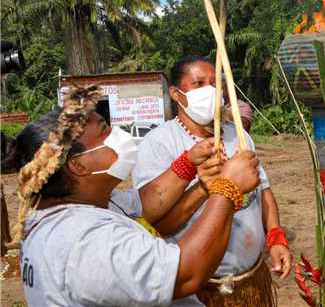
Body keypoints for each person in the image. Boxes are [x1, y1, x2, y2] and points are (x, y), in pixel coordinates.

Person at [12, 86, 260, 306]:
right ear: (79, 166)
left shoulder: (86, 208)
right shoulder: (85, 240)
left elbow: (148, 206)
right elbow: (185, 274)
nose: (117, 134)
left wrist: (192, 170)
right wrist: (227, 190)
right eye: (105, 130)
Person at [133, 55, 291, 307]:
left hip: (251, 278)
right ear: (175, 94)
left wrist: (275, 236)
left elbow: (263, 193)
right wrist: (205, 188)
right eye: (198, 84)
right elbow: (158, 225)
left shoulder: (238, 135)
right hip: (200, 290)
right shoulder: (159, 144)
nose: (210, 90)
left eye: (215, 83)